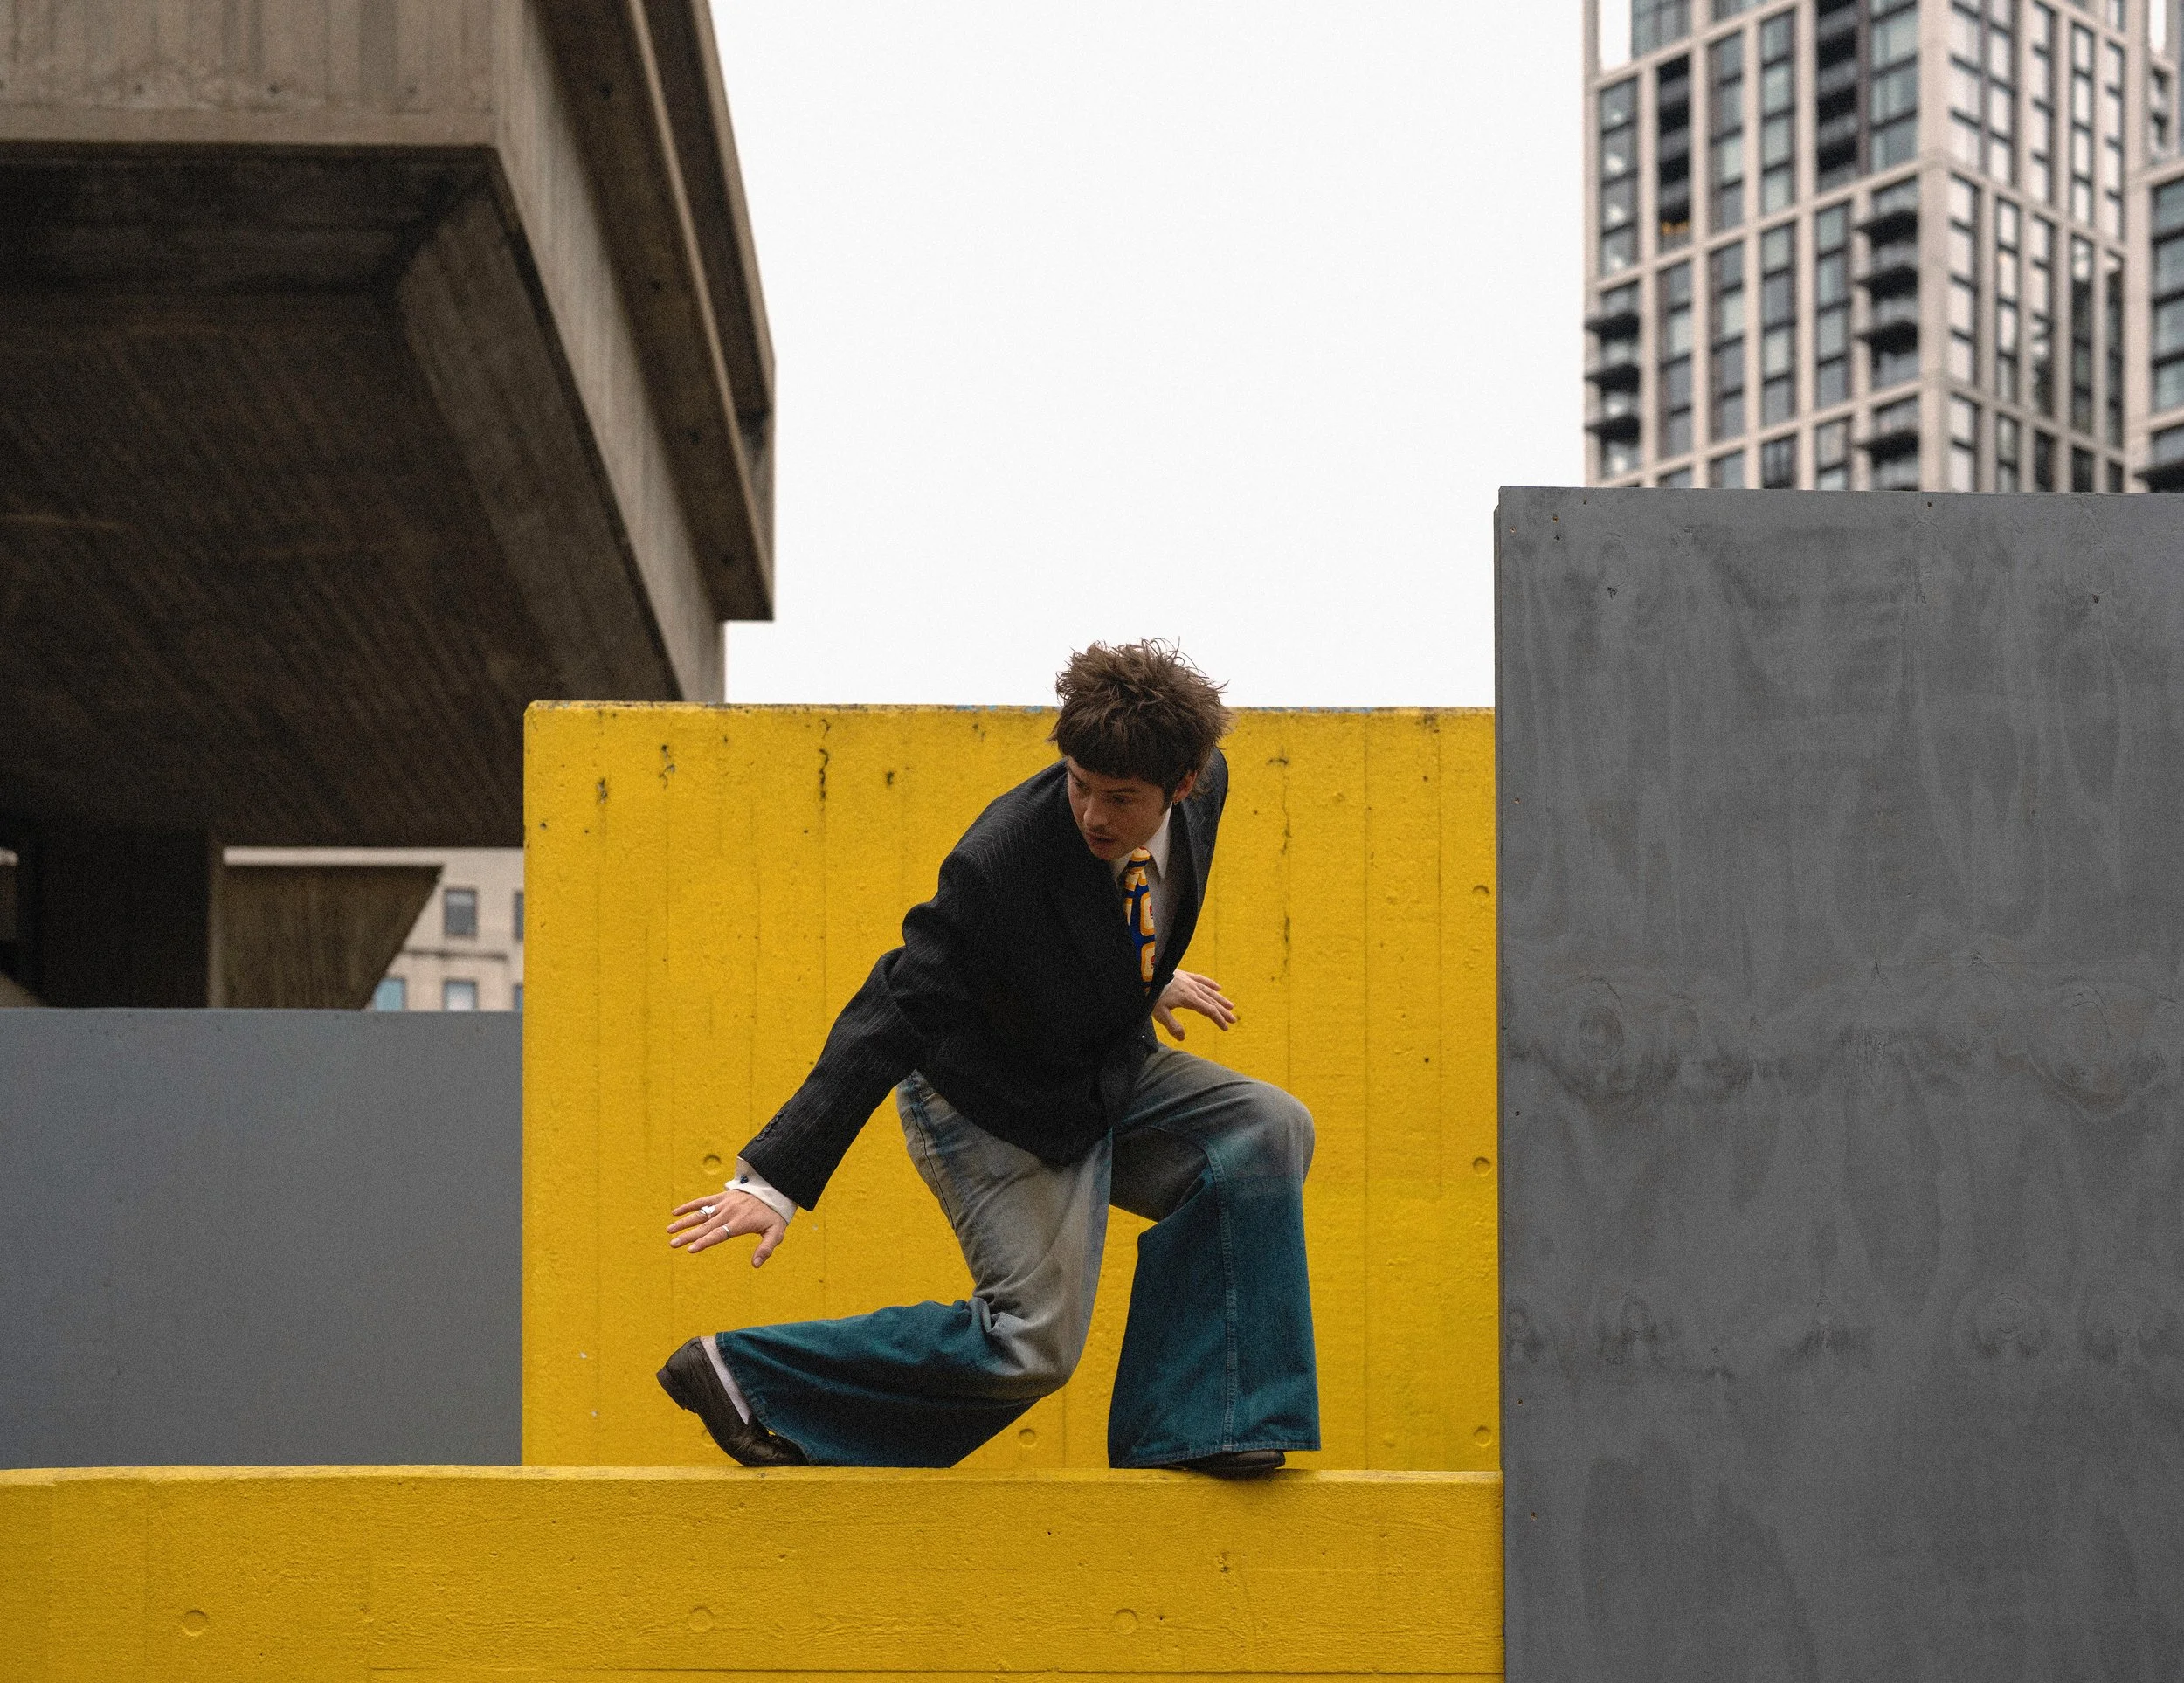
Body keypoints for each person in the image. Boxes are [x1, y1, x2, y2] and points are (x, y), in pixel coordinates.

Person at [654, 640, 1318, 1474]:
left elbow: (1116, 904)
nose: (1094, 816)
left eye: (1120, 797)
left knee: (1266, 1129)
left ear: (1183, 783)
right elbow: (895, 1005)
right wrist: (774, 1180)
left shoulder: (1208, 784)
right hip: (987, 1099)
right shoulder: (1003, 858)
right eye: (1078, 784)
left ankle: (1202, 1425)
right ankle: (752, 1380)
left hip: (1099, 1067)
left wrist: (1141, 975)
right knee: (1031, 1344)